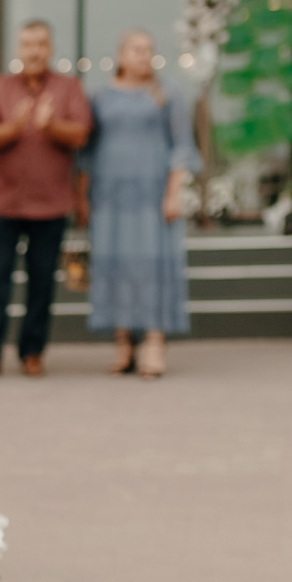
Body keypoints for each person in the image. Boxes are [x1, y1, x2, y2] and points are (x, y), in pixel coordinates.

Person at [0, 21, 89, 378]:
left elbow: (81, 133)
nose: (34, 50)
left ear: (50, 48)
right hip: (5, 204)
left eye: (40, 44)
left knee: (41, 284)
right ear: (17, 49)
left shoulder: (68, 88)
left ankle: (32, 352)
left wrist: (50, 125)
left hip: (51, 205)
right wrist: (14, 127)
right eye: (27, 44)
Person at [83, 29, 196, 379]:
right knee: (116, 265)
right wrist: (81, 196)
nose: (143, 56)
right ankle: (123, 344)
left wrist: (174, 192)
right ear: (120, 55)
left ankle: (154, 343)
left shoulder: (168, 93)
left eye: (148, 50)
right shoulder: (100, 95)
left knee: (151, 266)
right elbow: (86, 152)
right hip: (111, 197)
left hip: (152, 195)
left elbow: (182, 146)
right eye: (136, 50)